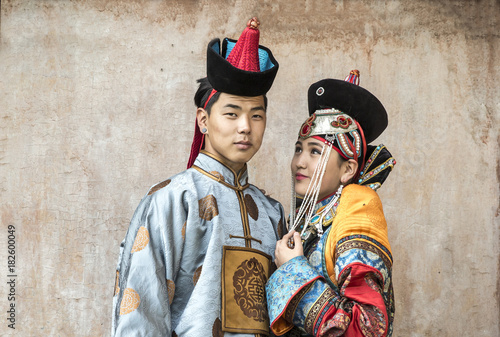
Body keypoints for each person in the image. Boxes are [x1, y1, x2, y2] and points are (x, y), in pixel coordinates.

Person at [112, 18, 285, 337]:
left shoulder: (273, 213)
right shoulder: (172, 199)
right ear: (203, 120)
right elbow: (140, 314)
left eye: (256, 115)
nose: (245, 126)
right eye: (232, 113)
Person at [266, 70, 396, 337]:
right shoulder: (308, 215)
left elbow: (367, 327)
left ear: (347, 170)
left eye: (315, 151)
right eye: (298, 149)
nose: (299, 162)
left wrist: (293, 270)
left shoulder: (357, 205)